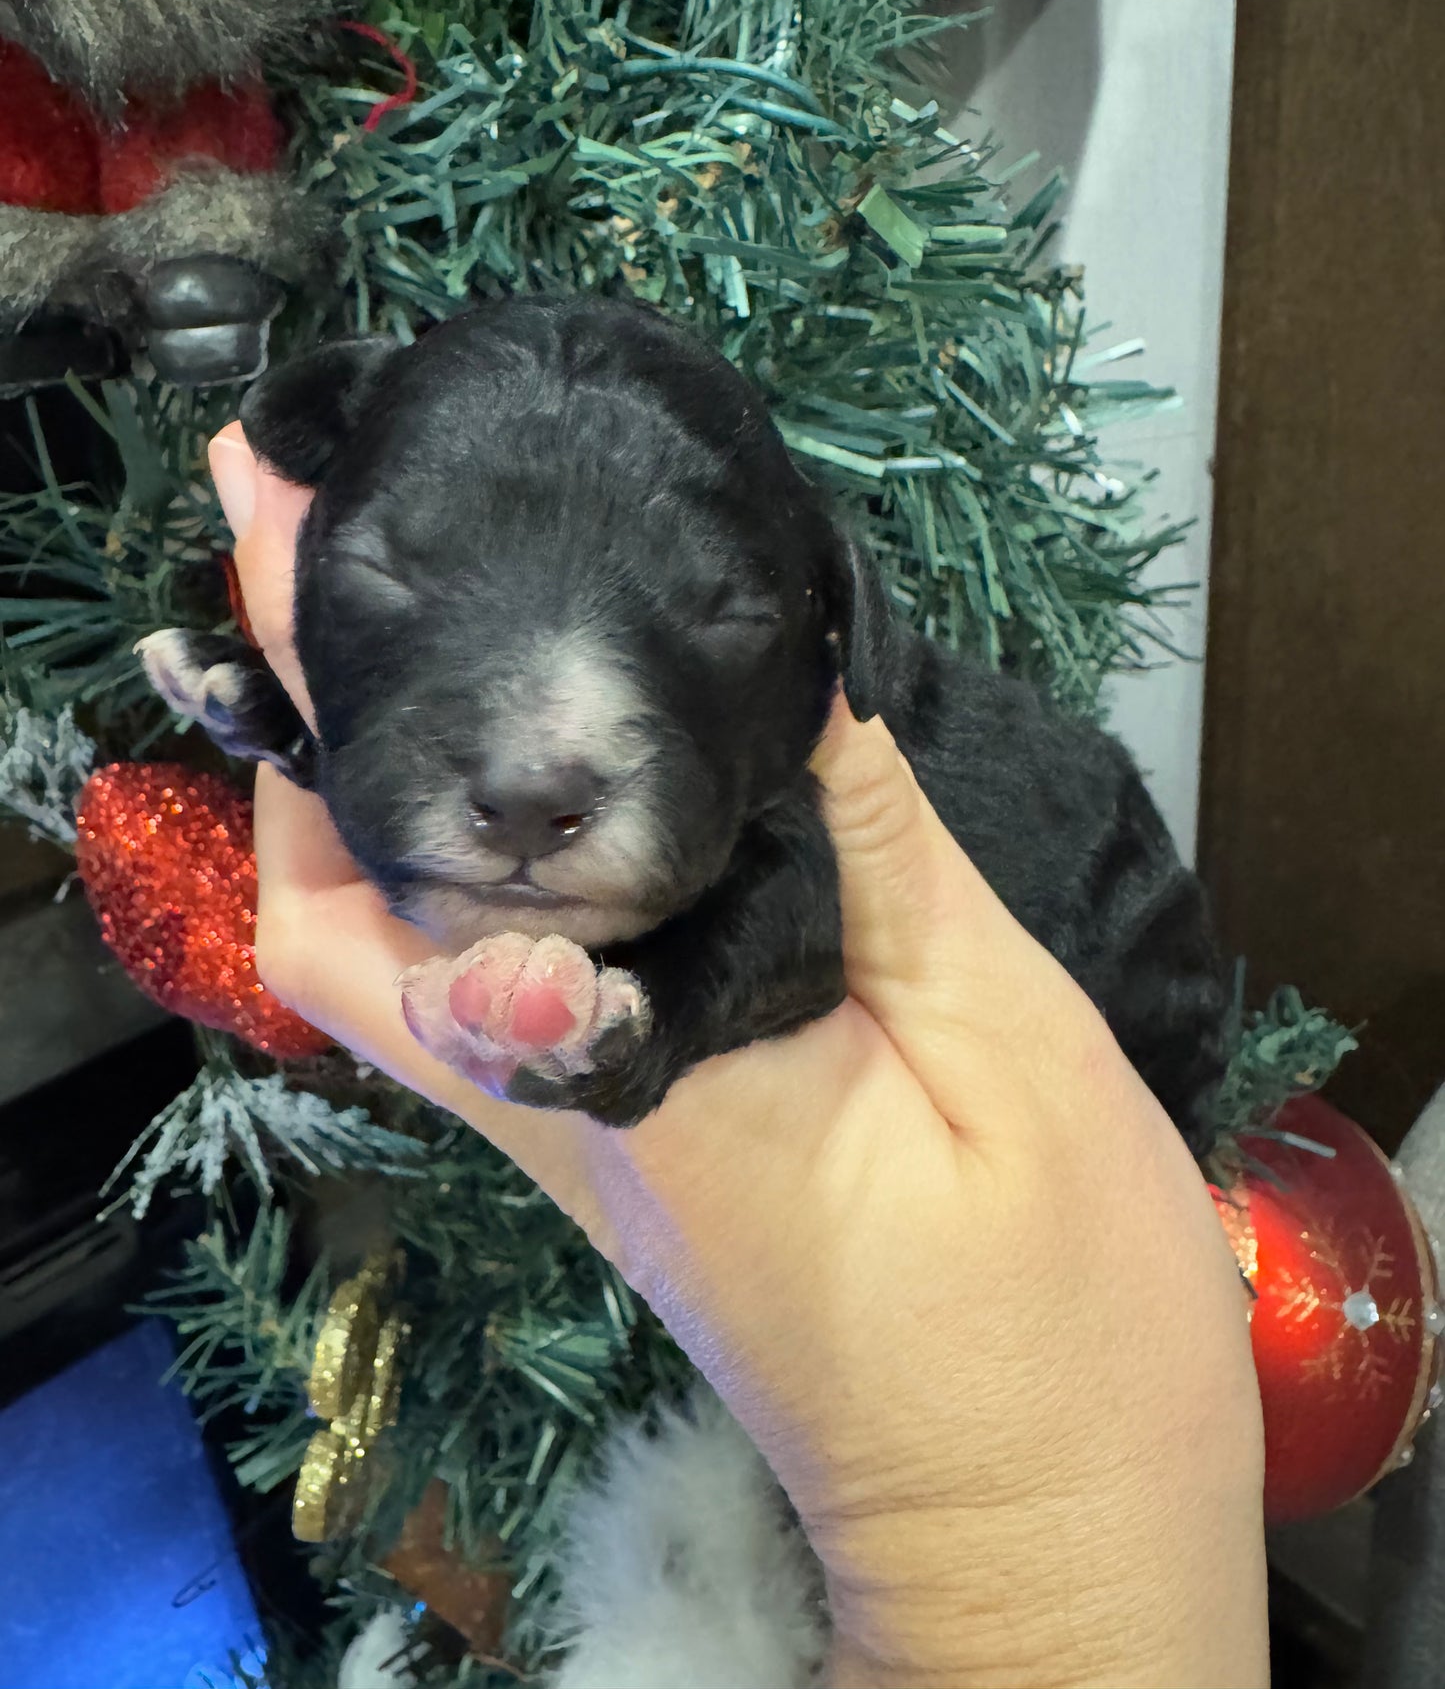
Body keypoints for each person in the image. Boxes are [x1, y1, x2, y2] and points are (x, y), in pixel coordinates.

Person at [211, 422, 1270, 1689]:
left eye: (712, 615)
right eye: (392, 572)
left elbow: (785, 903)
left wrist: (1017, 1543)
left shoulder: (833, 779)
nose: (532, 757)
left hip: (1101, 1056)